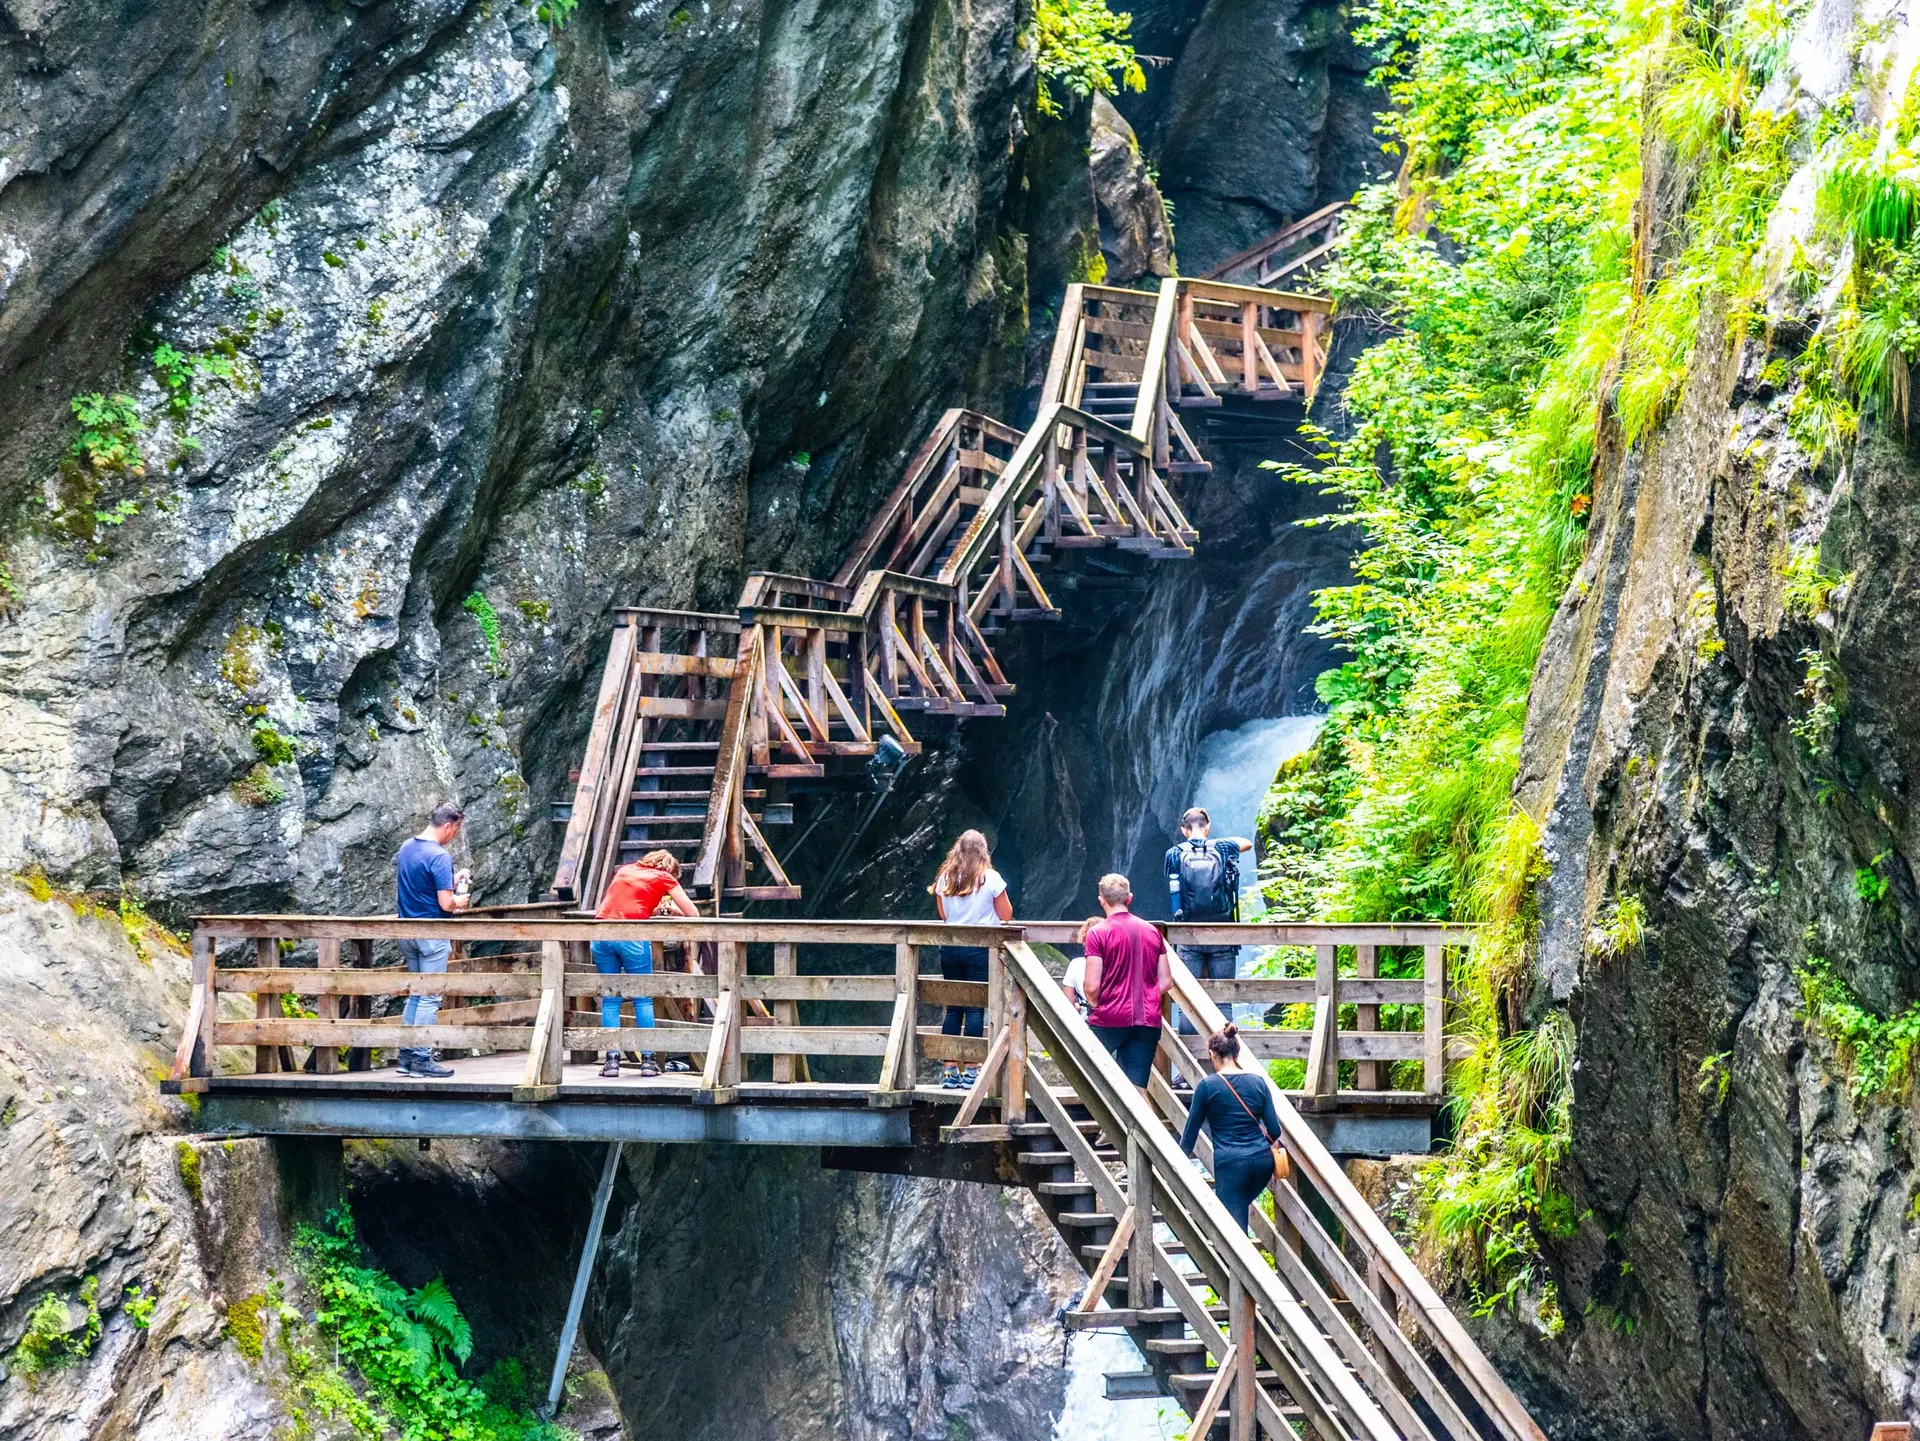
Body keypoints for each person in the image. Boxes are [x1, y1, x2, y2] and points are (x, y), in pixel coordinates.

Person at [594, 849, 701, 1079]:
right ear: (670, 870)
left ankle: (611, 1062)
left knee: (610, 1000)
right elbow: (693, 912)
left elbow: (635, 904)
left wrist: (663, 907)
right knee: (643, 999)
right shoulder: (664, 877)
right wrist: (673, 909)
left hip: (600, 934)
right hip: (631, 936)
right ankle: (648, 1062)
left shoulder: (626, 870)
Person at [1178, 1023, 1284, 1232]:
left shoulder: (1207, 1086)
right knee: (1237, 1214)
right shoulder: (1258, 1082)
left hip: (1231, 1165)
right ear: (1238, 1053)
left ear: (1212, 1054)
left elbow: (1189, 1136)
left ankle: (1237, 1265)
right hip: (1262, 1163)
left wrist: (1176, 1167)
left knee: (1233, 1232)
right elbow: (1274, 1130)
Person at [929, 830, 1013, 1089]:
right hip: (979, 949)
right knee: (976, 1008)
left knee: (954, 1008)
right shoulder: (991, 878)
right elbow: (1006, 915)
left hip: (951, 948)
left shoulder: (946, 877)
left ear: (958, 849)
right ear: (983, 851)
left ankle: (949, 1071)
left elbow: (944, 915)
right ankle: (972, 1071)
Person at [394, 803, 472, 1079]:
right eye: (456, 830)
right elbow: (446, 902)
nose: (454, 836)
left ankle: (405, 1056)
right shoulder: (439, 855)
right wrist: (459, 900)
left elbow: (421, 884)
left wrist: (452, 879)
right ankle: (422, 1058)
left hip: (408, 931)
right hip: (433, 934)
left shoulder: (407, 848)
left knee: (416, 994)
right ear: (449, 825)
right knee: (430, 997)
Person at [1081, 873, 1171, 1098]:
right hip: (1147, 1020)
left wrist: (1097, 1003)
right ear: (1129, 898)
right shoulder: (1153, 932)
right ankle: (1142, 1133)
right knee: (1137, 1090)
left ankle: (1105, 1125)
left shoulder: (1097, 933)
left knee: (1083, 1065)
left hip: (1110, 1017)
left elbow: (1091, 987)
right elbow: (1167, 981)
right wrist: (1145, 995)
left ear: (1101, 900)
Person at [1165, 806, 1253, 1031]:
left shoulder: (1174, 853)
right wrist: (1214, 841)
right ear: (1208, 827)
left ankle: (1189, 1059)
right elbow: (1247, 843)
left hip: (1188, 935)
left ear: (1183, 831)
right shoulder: (1222, 847)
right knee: (1223, 1000)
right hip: (1221, 933)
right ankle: (1229, 1056)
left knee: (1188, 1001)